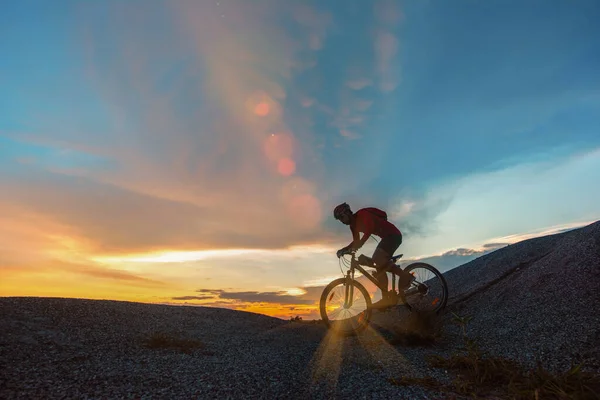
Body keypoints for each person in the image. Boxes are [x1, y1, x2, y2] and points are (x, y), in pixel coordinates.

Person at [333, 202, 414, 309]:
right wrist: (344, 250)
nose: (342, 221)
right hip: (386, 238)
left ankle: (405, 276)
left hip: (393, 235)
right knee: (379, 267)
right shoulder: (353, 226)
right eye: (340, 220)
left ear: (347, 213)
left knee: (377, 258)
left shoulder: (362, 214)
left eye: (342, 217)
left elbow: (369, 230)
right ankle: (386, 299)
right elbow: (356, 241)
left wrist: (360, 244)